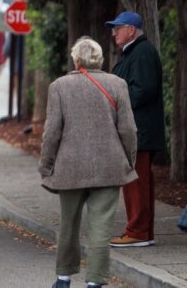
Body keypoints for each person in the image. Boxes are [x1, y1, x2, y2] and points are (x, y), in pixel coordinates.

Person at [39, 37, 137, 288]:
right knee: (101, 228)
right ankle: (95, 281)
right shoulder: (117, 84)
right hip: (109, 166)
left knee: (68, 224)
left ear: (76, 59)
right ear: (100, 59)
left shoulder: (59, 86)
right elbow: (128, 129)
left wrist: (46, 165)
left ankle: (63, 278)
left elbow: (52, 132)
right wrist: (128, 160)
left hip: (70, 167)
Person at [107, 11, 165, 248]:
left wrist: (115, 104)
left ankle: (137, 231)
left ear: (131, 29)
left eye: (117, 28)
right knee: (138, 180)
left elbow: (142, 89)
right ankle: (143, 231)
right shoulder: (136, 52)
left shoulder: (141, 53)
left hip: (138, 130)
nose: (114, 33)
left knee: (135, 181)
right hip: (139, 128)